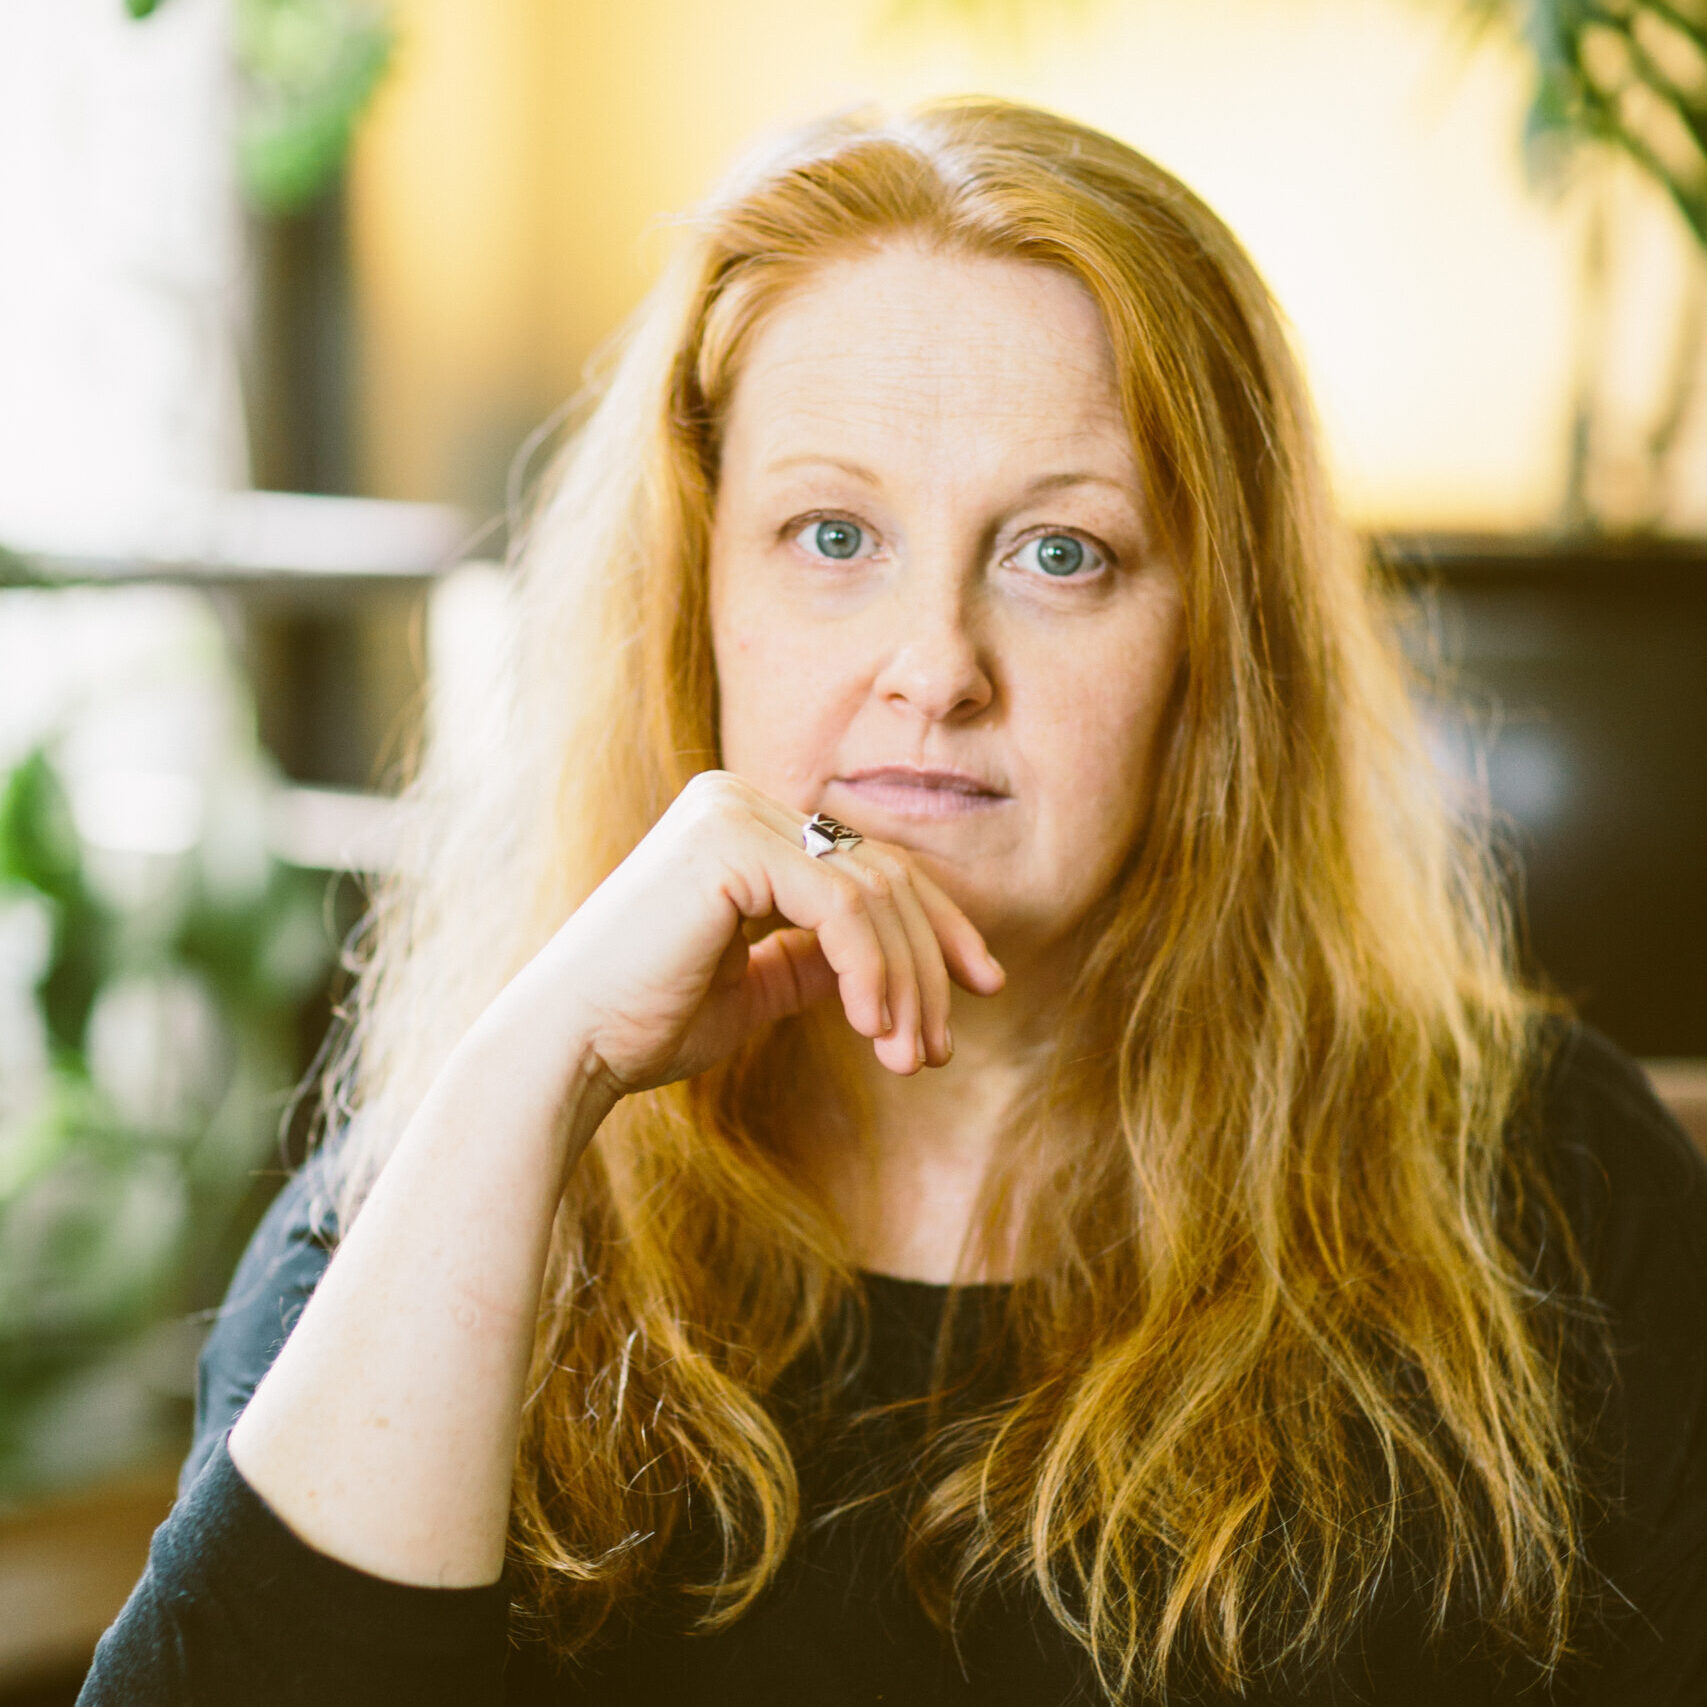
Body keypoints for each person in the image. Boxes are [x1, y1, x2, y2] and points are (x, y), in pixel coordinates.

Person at [82, 98, 1707, 1706]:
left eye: (1061, 554)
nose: (934, 667)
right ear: (697, 600)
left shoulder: (1551, 1195)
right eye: (833, 534)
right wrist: (534, 1082)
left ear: (1218, 641)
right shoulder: (440, 1193)